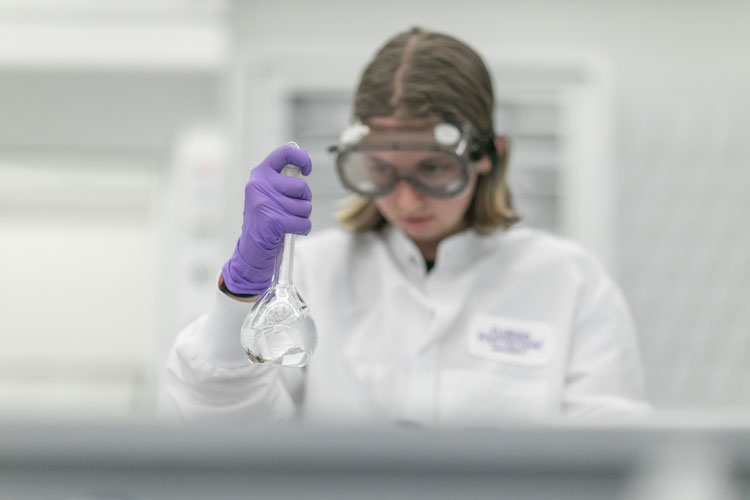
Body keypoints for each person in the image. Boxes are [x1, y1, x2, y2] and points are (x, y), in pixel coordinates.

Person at [165, 27, 649, 426]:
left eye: (433, 170)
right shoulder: (315, 273)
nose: (406, 198)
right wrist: (241, 294)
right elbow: (218, 426)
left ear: (487, 157)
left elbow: (609, 465)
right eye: (381, 170)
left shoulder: (569, 283)